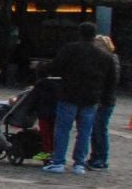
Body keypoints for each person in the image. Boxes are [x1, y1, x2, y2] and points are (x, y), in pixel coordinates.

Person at [44, 22, 115, 173]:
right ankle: (79, 163)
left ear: (80, 33)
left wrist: (41, 69)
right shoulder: (105, 56)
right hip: (91, 98)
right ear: (94, 35)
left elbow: (56, 67)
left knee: (63, 129)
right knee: (84, 132)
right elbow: (111, 81)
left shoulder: (70, 49)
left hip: (69, 95)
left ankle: (58, 161)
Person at [84, 34, 118, 171]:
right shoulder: (103, 59)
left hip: (104, 100)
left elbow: (111, 82)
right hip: (101, 99)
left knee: (99, 129)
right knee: (96, 129)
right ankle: (96, 156)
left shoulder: (110, 60)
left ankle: (100, 158)